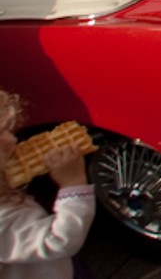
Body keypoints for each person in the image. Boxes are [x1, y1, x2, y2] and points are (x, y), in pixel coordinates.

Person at [0, 86, 95, 278]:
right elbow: (59, 240)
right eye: (1, 135)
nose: (12, 138)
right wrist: (73, 183)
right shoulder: (4, 221)